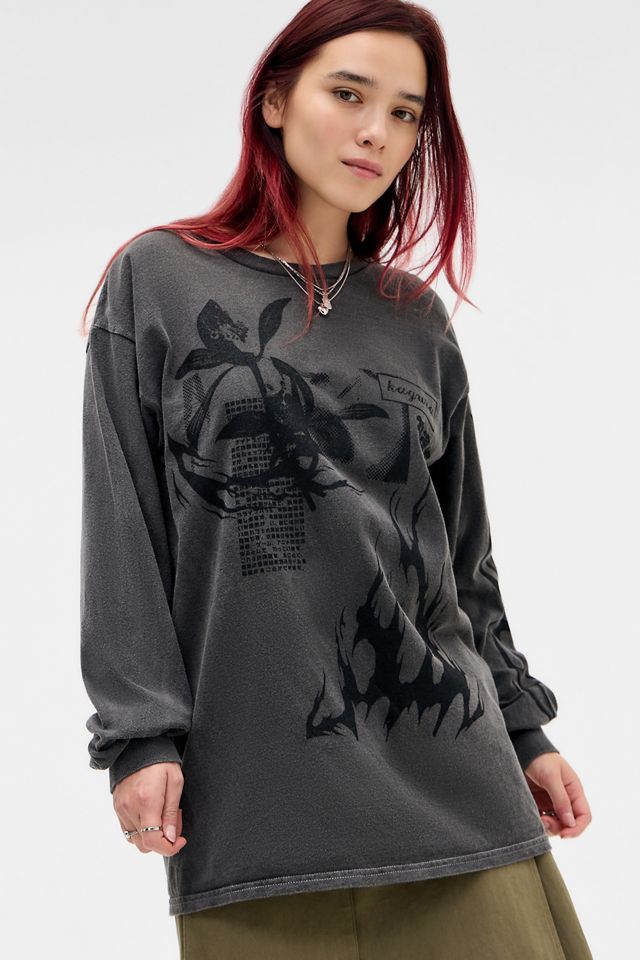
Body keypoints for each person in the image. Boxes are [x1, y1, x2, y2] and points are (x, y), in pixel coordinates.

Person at [79, 1, 594, 957]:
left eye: (405, 113)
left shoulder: (413, 318)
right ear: (274, 100)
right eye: (349, 94)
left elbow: (460, 561)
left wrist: (525, 730)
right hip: (256, 805)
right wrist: (139, 736)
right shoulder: (160, 280)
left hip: (457, 783)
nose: (376, 132)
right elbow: (124, 529)